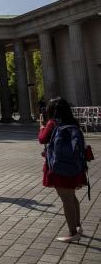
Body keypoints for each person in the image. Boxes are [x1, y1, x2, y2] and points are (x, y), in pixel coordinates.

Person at [39, 98, 88, 243]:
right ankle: (78, 226)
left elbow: (42, 139)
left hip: (59, 166)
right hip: (74, 165)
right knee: (72, 197)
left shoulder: (52, 123)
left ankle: (73, 232)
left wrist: (41, 126)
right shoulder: (73, 122)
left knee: (66, 200)